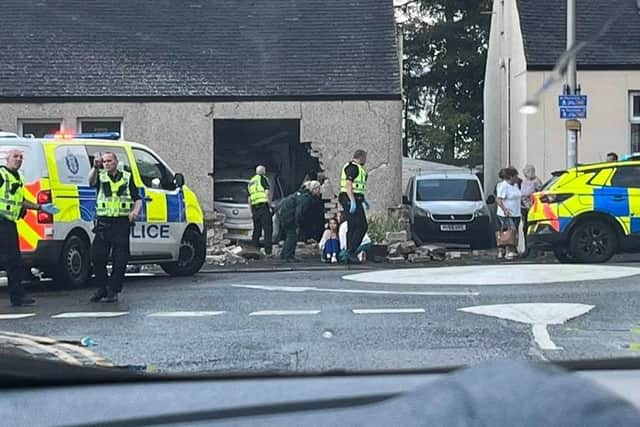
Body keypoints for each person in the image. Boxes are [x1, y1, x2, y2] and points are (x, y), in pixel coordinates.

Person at [0, 149, 58, 306]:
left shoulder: (16, 177)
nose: (18, 159)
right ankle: (17, 296)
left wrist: (40, 207)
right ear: (7, 159)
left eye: (21, 157)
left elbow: (20, 200)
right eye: (15, 157)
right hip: (2, 222)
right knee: (12, 261)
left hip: (8, 223)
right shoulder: (1, 174)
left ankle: (17, 296)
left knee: (14, 261)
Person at [89, 152, 142, 303]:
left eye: (109, 161)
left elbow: (137, 198)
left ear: (116, 162)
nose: (106, 164)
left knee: (120, 259)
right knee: (97, 257)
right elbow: (91, 182)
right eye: (104, 161)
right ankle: (102, 288)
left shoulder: (127, 177)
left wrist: (135, 212)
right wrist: (94, 167)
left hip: (121, 222)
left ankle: (113, 290)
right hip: (104, 222)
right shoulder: (100, 176)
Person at [277, 180, 322, 262]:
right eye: (318, 189)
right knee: (292, 236)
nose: (319, 191)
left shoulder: (300, 194)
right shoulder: (306, 198)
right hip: (289, 217)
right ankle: (289, 256)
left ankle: (284, 254)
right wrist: (298, 223)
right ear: (314, 189)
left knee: (289, 235)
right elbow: (299, 211)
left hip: (284, 215)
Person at [338, 149, 370, 264]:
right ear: (361, 157)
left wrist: (364, 199)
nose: (366, 161)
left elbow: (358, 187)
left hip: (355, 198)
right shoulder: (353, 167)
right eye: (365, 158)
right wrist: (352, 200)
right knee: (362, 225)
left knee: (352, 226)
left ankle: (349, 253)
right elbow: (348, 184)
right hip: (350, 199)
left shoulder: (359, 169)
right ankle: (351, 251)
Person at [495, 167, 522, 260]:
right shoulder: (503, 186)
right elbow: (498, 199)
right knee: (509, 231)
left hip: (516, 213)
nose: (517, 178)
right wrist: (504, 210)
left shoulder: (515, 185)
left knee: (514, 232)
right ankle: (507, 250)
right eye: (515, 176)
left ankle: (510, 250)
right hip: (506, 214)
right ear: (511, 177)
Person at [248, 165, 273, 256]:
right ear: (263, 171)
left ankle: (254, 250)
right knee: (267, 229)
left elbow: (249, 198)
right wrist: (270, 205)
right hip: (263, 207)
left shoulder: (251, 181)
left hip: (255, 208)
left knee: (256, 230)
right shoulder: (263, 179)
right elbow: (267, 192)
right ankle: (268, 251)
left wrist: (251, 211)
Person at [520, 164, 543, 256]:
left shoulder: (536, 181)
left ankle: (536, 250)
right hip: (524, 208)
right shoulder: (524, 182)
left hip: (534, 208)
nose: (527, 174)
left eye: (529, 172)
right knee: (525, 228)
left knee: (533, 228)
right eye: (526, 172)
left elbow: (540, 193)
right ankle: (527, 249)